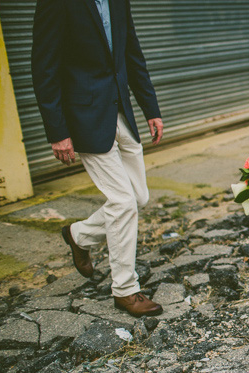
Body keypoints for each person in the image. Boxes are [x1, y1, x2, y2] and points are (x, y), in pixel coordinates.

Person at [31, 0, 164, 318]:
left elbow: (132, 53)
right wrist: (57, 131)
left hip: (121, 112)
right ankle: (126, 290)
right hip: (85, 117)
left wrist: (151, 109)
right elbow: (43, 67)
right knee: (122, 203)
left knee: (138, 198)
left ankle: (77, 235)